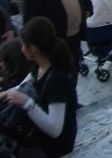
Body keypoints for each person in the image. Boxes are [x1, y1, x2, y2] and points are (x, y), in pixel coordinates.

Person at [0, 17, 78, 157]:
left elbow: (55, 129)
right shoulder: (38, 68)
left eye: (23, 45)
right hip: (39, 138)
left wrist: (26, 103)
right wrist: (6, 94)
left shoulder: (56, 80)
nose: (22, 49)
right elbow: (21, 87)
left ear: (33, 49)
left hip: (53, 147)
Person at [22, 0, 93, 86]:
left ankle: (71, 96)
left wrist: (88, 8)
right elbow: (29, 14)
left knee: (73, 69)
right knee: (56, 75)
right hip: (53, 40)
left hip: (74, 35)